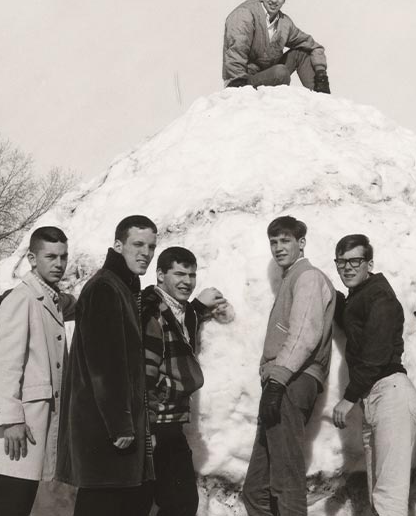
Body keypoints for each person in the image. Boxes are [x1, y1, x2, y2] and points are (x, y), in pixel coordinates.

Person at [57, 215, 159, 516]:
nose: (145, 253)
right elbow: (105, 366)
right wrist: (120, 423)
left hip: (112, 426)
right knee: (102, 504)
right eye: (137, 244)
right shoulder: (105, 288)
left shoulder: (123, 287)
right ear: (118, 245)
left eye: (151, 247)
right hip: (105, 428)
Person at [242, 216, 335, 516]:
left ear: (301, 243)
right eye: (274, 242)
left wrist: (278, 380)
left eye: (286, 240)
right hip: (281, 381)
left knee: (285, 481)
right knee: (255, 490)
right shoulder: (292, 278)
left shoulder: (307, 277)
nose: (278, 247)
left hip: (292, 381)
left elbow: (304, 334)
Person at [330, 234, 416, 516]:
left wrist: (348, 398)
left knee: (388, 499)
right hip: (376, 398)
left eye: (355, 261)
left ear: (369, 264)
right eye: (341, 262)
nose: (347, 267)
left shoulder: (379, 296)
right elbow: (350, 319)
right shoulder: (361, 296)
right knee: (378, 497)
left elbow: (376, 355)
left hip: (391, 395)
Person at [0, 227, 71, 516]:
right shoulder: (21, 299)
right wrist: (11, 420)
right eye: (50, 257)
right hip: (19, 425)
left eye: (63, 257)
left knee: (17, 505)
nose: (58, 264)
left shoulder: (48, 298)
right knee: (9, 506)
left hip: (33, 423)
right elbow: (4, 364)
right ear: (32, 259)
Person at [141, 246, 228, 516]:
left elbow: (182, 321)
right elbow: (145, 371)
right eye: (179, 274)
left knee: (170, 501)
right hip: (158, 422)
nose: (187, 282)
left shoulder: (176, 309)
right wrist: (149, 425)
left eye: (191, 275)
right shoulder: (151, 311)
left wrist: (198, 307)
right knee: (179, 502)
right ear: (160, 274)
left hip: (171, 420)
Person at [223, 0, 330, 93]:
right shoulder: (244, 15)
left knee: (302, 52)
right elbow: (235, 51)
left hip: (268, 74)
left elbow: (313, 46)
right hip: (243, 80)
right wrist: (238, 84)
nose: (274, 0)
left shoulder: (285, 23)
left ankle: (321, 96)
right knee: (281, 72)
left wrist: (321, 74)